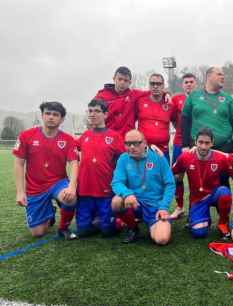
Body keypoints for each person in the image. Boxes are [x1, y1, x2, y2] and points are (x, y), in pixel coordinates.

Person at [13, 102, 78, 239]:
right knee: (38, 233)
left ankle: (64, 228)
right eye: (47, 113)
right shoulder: (26, 136)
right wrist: (20, 192)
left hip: (57, 183)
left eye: (55, 114)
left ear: (62, 119)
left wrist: (72, 187)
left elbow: (74, 163)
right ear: (42, 115)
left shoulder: (68, 139)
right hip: (35, 187)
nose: (51, 117)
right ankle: (50, 212)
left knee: (70, 198)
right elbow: (19, 163)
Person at [172, 127, 233, 239]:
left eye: (207, 143)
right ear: (195, 142)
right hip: (197, 200)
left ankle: (223, 223)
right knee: (199, 233)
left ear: (212, 143)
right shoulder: (185, 157)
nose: (203, 146)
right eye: (200, 142)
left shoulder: (220, 158)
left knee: (224, 192)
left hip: (214, 194)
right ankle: (203, 218)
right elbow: (173, 174)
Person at [181, 66, 233, 187]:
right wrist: (185, 145)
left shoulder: (228, 99)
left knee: (223, 182)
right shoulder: (193, 97)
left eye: (223, 74)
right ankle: (199, 205)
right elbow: (185, 121)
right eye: (219, 74)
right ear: (209, 76)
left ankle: (223, 205)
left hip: (224, 147)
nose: (223, 77)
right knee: (199, 182)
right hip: (199, 147)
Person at [111, 130, 175, 244]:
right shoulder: (123, 158)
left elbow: (170, 184)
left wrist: (163, 207)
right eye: (127, 143)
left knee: (162, 239)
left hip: (155, 205)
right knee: (116, 202)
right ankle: (133, 228)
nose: (131, 147)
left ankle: (156, 222)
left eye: (136, 143)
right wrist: (127, 194)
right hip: (135, 203)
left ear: (145, 142)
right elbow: (116, 182)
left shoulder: (158, 157)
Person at [75, 99, 125, 237]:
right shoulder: (84, 136)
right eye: (90, 111)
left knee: (108, 232)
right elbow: (70, 149)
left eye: (97, 111)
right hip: (85, 190)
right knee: (83, 232)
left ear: (106, 114)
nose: (92, 114)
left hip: (105, 190)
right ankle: (95, 220)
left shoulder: (114, 136)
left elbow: (124, 160)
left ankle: (117, 220)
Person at [170, 73, 198, 219]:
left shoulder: (201, 98)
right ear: (182, 85)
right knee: (177, 176)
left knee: (195, 177)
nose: (188, 84)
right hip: (179, 142)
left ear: (196, 83)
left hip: (197, 143)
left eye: (191, 82)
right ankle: (179, 207)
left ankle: (194, 208)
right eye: (186, 82)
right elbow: (173, 118)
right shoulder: (176, 99)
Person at [94, 66, 147, 137]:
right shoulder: (101, 96)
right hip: (108, 140)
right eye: (120, 79)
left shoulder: (134, 95)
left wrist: (166, 94)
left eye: (125, 80)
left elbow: (152, 93)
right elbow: (93, 118)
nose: (122, 82)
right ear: (114, 79)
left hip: (127, 142)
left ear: (130, 82)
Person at [136, 73, 177, 163]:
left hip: (163, 150)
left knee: (163, 176)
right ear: (149, 85)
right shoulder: (140, 101)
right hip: (143, 150)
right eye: (152, 83)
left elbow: (175, 123)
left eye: (158, 84)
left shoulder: (170, 104)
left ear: (163, 86)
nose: (155, 86)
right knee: (142, 177)